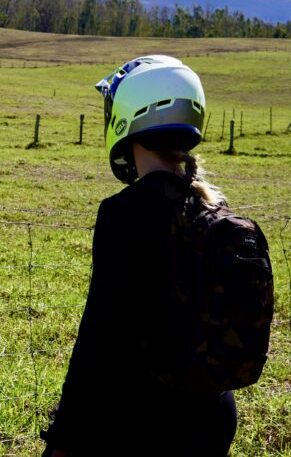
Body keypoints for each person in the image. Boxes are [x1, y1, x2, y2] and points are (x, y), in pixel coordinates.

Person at [41, 55, 243, 456]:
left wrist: (63, 438)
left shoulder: (124, 213)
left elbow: (99, 338)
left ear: (129, 116)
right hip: (213, 416)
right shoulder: (210, 207)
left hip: (142, 423)